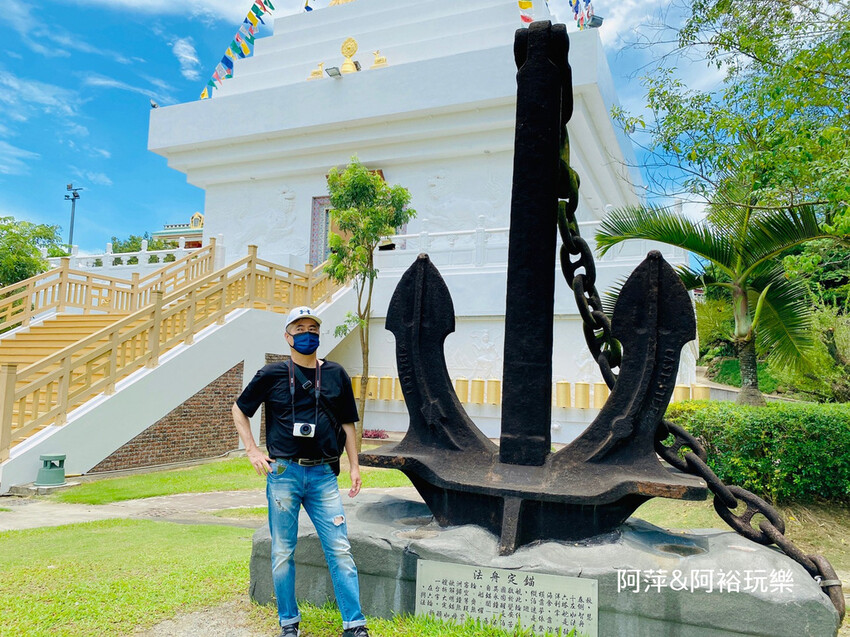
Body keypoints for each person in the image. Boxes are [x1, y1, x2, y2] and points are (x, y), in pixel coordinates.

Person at [232, 306, 369, 637]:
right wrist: (251, 449)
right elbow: (239, 409)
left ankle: (355, 624)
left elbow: (349, 424)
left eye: (313, 328)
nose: (307, 333)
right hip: (283, 475)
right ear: (287, 336)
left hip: (323, 476)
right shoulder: (272, 374)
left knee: (339, 548)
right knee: (282, 552)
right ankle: (288, 623)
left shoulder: (336, 374)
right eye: (300, 327)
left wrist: (354, 465)